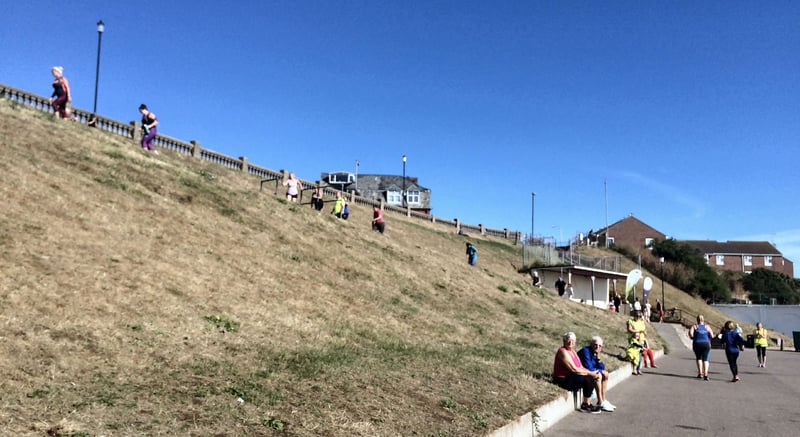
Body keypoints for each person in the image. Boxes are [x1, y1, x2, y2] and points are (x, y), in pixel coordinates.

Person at [551, 332, 603, 413]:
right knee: (589, 377)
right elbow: (574, 369)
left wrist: (591, 372)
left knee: (593, 376)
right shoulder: (562, 351)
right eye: (568, 340)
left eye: (573, 341)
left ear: (575, 342)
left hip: (571, 377)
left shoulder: (573, 351)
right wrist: (590, 373)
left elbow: (581, 367)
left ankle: (587, 403)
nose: (570, 342)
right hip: (562, 379)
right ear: (564, 341)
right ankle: (585, 405)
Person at [577, 336, 616, 412]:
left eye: (600, 346)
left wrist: (598, 359)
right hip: (580, 373)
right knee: (599, 375)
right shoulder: (586, 351)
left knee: (605, 374)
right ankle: (601, 402)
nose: (597, 347)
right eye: (595, 344)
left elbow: (602, 367)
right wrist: (600, 371)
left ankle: (603, 400)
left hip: (588, 372)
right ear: (591, 344)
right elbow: (589, 368)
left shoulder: (595, 353)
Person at [689, 314, 714, 380]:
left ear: (697, 320)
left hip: (697, 343)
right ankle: (705, 374)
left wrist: (693, 337)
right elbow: (712, 335)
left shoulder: (694, 326)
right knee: (705, 359)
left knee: (699, 358)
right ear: (703, 319)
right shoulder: (707, 326)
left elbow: (691, 334)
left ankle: (700, 373)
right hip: (706, 343)